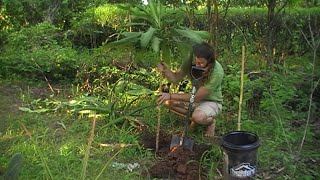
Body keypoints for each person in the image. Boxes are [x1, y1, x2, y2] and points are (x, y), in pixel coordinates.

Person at [156, 42, 224, 137]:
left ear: (209, 62)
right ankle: (194, 119)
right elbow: (175, 78)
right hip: (195, 100)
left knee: (198, 117)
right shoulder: (191, 60)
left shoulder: (217, 72)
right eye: (196, 62)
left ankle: (210, 122)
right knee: (167, 102)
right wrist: (166, 70)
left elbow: (196, 97)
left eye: (201, 63)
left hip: (212, 102)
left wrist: (170, 95)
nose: (197, 65)